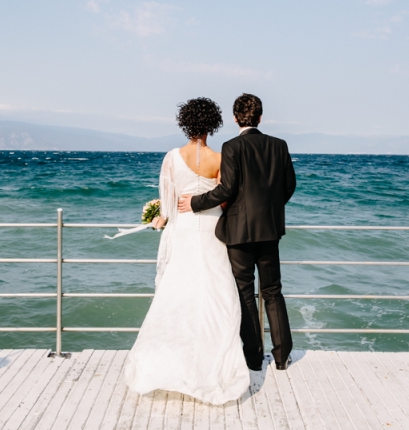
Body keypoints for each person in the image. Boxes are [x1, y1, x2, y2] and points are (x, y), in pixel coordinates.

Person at [123, 97, 250, 405]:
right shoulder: (219, 158)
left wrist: (160, 218)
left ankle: (169, 362)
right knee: (214, 293)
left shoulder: (171, 157)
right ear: (212, 125)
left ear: (185, 123)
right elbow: (224, 200)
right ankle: (210, 360)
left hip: (182, 230)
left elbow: (167, 203)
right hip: (211, 230)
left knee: (178, 292)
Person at [178, 93, 296, 371]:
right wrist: (271, 209)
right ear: (260, 117)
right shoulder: (279, 145)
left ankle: (254, 359)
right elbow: (289, 185)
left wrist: (194, 203)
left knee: (244, 293)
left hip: (239, 232)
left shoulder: (232, 147)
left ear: (235, 118)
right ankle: (281, 357)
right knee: (273, 291)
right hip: (269, 230)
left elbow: (227, 190)